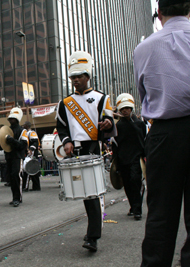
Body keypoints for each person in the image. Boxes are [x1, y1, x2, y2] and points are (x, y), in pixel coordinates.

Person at [133, 1, 190, 266]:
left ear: (159, 13)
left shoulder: (143, 48)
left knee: (160, 214)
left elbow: (144, 93)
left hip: (165, 133)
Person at [56, 51, 115, 252]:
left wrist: (108, 124)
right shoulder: (65, 103)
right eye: (72, 77)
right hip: (75, 150)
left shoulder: (101, 98)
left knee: (92, 193)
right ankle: (93, 230)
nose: (75, 80)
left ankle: (92, 237)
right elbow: (61, 126)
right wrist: (66, 142)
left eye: (79, 77)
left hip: (93, 146)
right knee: (85, 192)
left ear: (87, 76)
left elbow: (109, 121)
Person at [111, 93, 146, 220]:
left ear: (131, 108)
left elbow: (144, 141)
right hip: (122, 160)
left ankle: (138, 210)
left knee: (135, 181)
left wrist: (145, 157)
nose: (125, 110)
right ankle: (133, 207)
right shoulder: (117, 127)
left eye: (127, 108)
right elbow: (115, 145)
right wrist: (115, 162)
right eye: (123, 109)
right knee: (127, 184)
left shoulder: (140, 124)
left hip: (136, 159)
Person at [5, 107, 28, 207]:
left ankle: (17, 198)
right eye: (10, 119)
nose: (11, 120)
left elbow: (23, 145)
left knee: (16, 176)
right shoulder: (7, 130)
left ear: (17, 119)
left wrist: (12, 140)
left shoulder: (23, 131)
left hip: (17, 157)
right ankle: (14, 197)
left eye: (13, 119)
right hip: (9, 156)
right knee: (11, 178)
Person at [21, 121, 41, 191]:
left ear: (27, 126)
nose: (23, 126)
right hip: (28, 154)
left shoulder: (31, 133)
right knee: (32, 171)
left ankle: (25, 187)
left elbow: (35, 142)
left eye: (24, 125)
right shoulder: (26, 133)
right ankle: (36, 187)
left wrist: (31, 149)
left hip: (31, 154)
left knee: (28, 170)